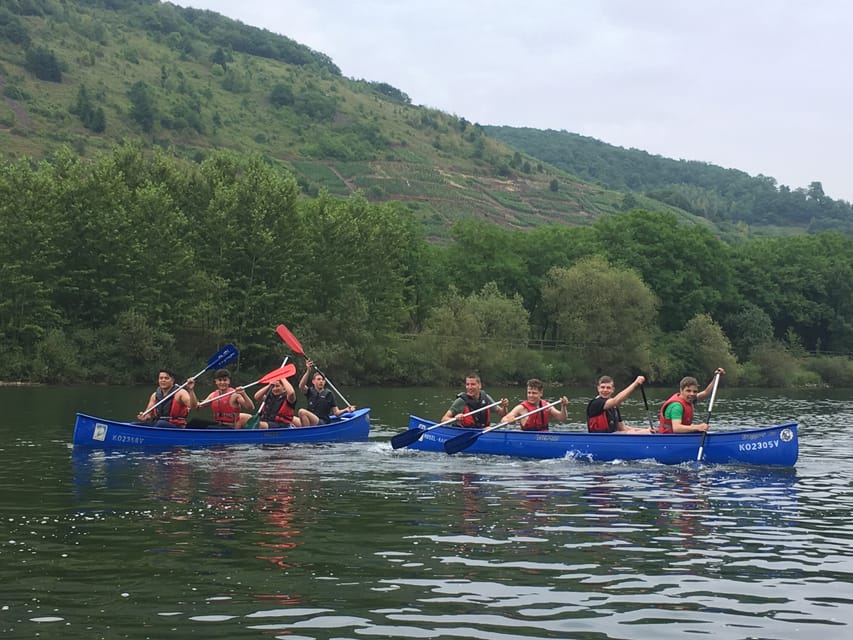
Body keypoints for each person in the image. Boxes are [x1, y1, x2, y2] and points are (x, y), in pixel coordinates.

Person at [657, 368, 726, 433]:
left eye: (695, 391)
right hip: (670, 439)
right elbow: (676, 428)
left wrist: (716, 377)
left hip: (680, 436)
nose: (692, 394)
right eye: (688, 391)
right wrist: (697, 427)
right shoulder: (677, 406)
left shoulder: (689, 399)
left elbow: (706, 393)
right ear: (681, 390)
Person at [297, 359, 356, 426]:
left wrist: (346, 410)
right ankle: (304, 431)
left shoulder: (329, 394)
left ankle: (307, 434)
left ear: (325, 382)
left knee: (301, 412)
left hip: (321, 423)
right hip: (310, 421)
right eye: (319, 379)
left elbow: (336, 413)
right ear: (313, 381)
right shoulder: (310, 391)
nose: (321, 381)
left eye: (322, 379)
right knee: (291, 419)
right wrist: (308, 371)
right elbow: (301, 386)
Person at [440, 373, 509, 428]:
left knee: (488, 428)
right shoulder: (461, 401)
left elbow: (502, 414)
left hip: (483, 431)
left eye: (473, 384)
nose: (469, 387)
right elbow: (443, 420)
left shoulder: (486, 398)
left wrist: (504, 406)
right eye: (467, 384)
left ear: (479, 385)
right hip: (466, 433)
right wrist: (455, 418)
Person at [501, 378, 568, 431]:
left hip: (543, 437)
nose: (531, 395)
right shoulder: (521, 408)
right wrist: (509, 420)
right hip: (527, 439)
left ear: (541, 393)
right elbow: (503, 420)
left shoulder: (547, 406)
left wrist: (563, 406)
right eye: (529, 393)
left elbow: (562, 418)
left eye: (534, 393)